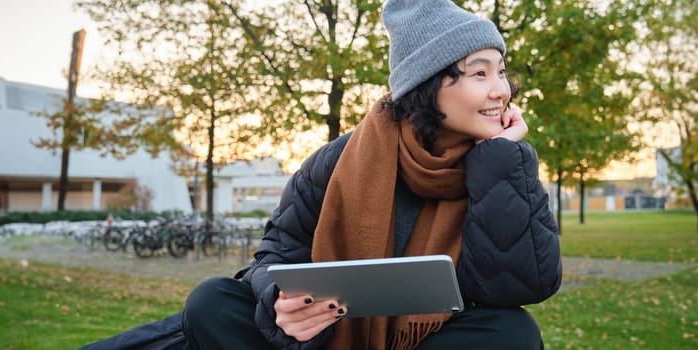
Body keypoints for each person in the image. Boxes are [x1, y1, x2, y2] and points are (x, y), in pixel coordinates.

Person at [180, 0, 561, 349]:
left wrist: (499, 160)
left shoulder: (505, 162)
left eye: (502, 73)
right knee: (213, 301)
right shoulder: (334, 161)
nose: (501, 91)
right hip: (328, 336)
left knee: (513, 333)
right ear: (427, 84)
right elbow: (276, 253)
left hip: (434, 337)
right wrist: (281, 302)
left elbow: (518, 286)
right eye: (480, 73)